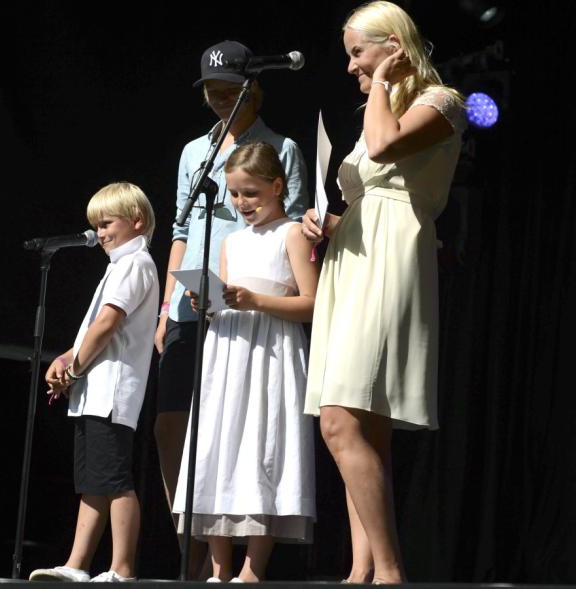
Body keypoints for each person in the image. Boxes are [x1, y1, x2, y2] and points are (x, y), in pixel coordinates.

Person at [301, 1, 466, 584]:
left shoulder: (440, 101)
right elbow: (360, 187)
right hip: (354, 256)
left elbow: (383, 148)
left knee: (341, 420)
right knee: (358, 424)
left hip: (394, 254)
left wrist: (387, 83)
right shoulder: (384, 104)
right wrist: (326, 222)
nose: (351, 68)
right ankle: (360, 571)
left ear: (393, 45)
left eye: (358, 53)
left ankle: (391, 574)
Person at [153, 40, 308, 578]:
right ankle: (194, 544)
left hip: (254, 305)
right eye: (211, 92)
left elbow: (295, 221)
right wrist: (167, 306)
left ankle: (221, 557)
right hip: (197, 300)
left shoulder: (280, 147)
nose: (220, 99)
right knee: (174, 425)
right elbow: (179, 227)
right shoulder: (196, 152)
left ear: (252, 90)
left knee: (242, 423)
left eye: (229, 91)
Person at [172, 142, 318, 583]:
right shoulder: (231, 241)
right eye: (235, 194)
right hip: (226, 351)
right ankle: (219, 568)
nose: (241, 203)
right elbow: (224, 299)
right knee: (219, 445)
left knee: (262, 447)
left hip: (270, 352)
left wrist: (256, 300)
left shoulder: (292, 233)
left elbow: (313, 304)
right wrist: (209, 304)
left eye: (250, 193)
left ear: (277, 186)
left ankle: (253, 570)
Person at [29, 182, 159, 583]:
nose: (100, 233)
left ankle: (122, 567)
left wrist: (73, 369)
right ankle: (77, 563)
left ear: (137, 221)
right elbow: (93, 328)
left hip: (112, 392)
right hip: (93, 390)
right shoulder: (118, 266)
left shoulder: (136, 263)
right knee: (93, 481)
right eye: (96, 225)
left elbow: (107, 324)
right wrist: (68, 358)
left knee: (116, 480)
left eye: (107, 223)